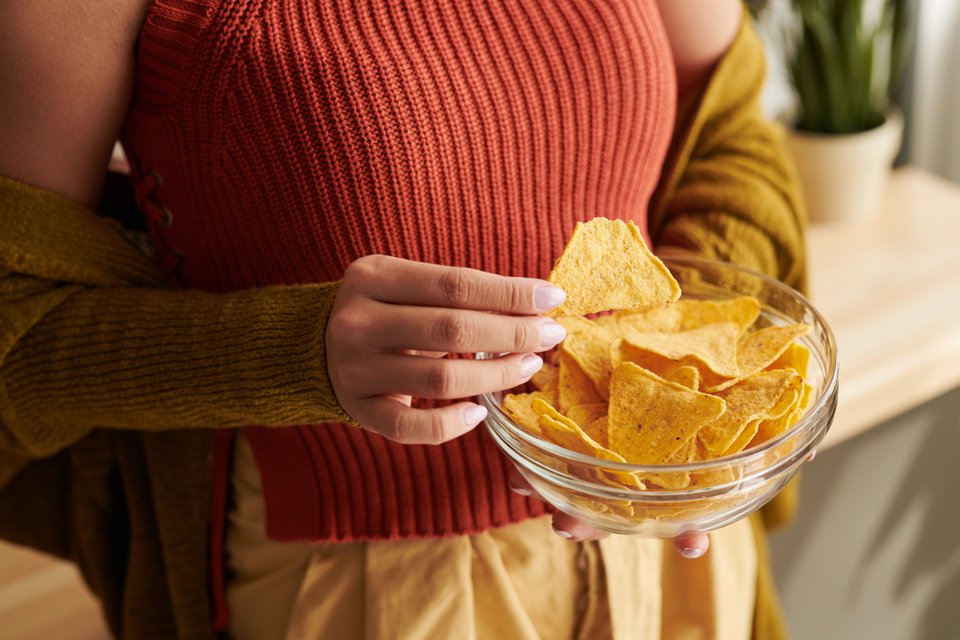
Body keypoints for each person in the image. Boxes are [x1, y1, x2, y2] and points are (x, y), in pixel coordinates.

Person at [0, 0, 806, 638]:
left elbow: (730, 129)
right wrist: (295, 353)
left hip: (667, 558)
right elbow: (16, 320)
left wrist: (680, 377)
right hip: (371, 597)